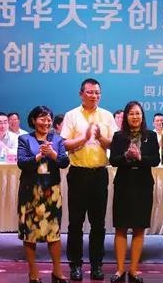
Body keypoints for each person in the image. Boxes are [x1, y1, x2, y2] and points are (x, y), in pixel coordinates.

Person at [61, 78, 118, 281]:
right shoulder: (72, 115)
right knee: (75, 223)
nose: (94, 96)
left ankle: (96, 265)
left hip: (99, 174)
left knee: (98, 223)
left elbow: (114, 144)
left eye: (97, 93)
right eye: (90, 92)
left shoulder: (107, 116)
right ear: (81, 94)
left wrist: (101, 138)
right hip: (78, 174)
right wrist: (85, 138)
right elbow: (64, 144)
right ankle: (75, 265)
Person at [108, 101, 161, 283]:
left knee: (139, 228)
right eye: (131, 113)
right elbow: (113, 160)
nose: (135, 117)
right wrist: (126, 156)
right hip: (123, 185)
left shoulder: (151, 136)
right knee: (121, 227)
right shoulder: (118, 136)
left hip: (143, 185)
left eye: (138, 113)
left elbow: (155, 160)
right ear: (126, 117)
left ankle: (133, 270)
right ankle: (120, 270)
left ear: (142, 116)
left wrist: (140, 157)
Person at [17, 105, 70, 283]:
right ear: (33, 120)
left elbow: (64, 162)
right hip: (30, 193)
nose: (46, 122)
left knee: (53, 233)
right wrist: (39, 155)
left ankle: (57, 272)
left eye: (48, 119)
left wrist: (53, 154)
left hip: (51, 193)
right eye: (42, 119)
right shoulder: (24, 139)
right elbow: (22, 163)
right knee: (30, 234)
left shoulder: (58, 139)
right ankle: (33, 272)